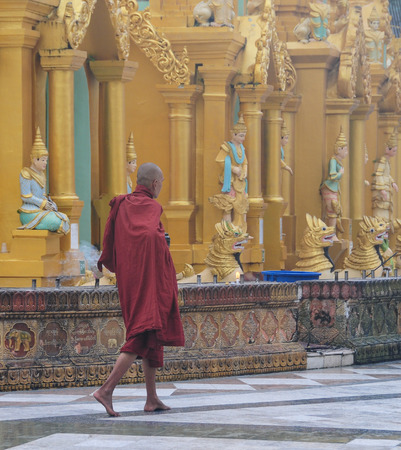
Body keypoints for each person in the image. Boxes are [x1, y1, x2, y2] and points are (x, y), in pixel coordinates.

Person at [93, 163, 185, 416]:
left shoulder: (122, 204)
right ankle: (106, 390)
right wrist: (161, 241)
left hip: (130, 278)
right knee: (141, 335)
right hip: (148, 280)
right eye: (162, 182)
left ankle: (152, 398)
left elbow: (119, 239)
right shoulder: (152, 206)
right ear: (155, 183)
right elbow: (149, 236)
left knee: (151, 335)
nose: (162, 186)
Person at [17, 127, 70, 234]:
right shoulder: (26, 173)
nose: (45, 163)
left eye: (46, 160)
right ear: (34, 159)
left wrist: (50, 203)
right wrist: (43, 203)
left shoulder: (41, 175)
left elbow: (43, 195)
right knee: (56, 222)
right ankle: (31, 224)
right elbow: (25, 196)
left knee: (64, 218)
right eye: (42, 160)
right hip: (29, 212)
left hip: (41, 210)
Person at [209, 114, 249, 232]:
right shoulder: (227, 147)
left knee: (242, 205)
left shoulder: (242, 148)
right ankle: (227, 232)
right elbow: (220, 160)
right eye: (241, 136)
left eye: (244, 136)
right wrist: (233, 169)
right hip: (230, 180)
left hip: (240, 181)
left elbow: (245, 162)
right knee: (228, 205)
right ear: (234, 134)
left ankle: (241, 229)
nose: (243, 138)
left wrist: (245, 170)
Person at [320, 127, 348, 239]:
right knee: (332, 210)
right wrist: (340, 173)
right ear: (339, 149)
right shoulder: (333, 160)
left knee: (335, 211)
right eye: (345, 150)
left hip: (334, 188)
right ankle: (330, 234)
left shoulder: (338, 161)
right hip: (329, 187)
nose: (346, 152)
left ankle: (331, 233)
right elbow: (332, 175)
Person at [372, 131, 399, 221]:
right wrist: (382, 189)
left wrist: (393, 183)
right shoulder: (383, 161)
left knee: (386, 211)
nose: (395, 152)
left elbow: (387, 175)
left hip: (387, 187)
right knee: (381, 211)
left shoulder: (387, 161)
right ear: (387, 149)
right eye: (394, 150)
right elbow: (378, 174)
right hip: (382, 188)